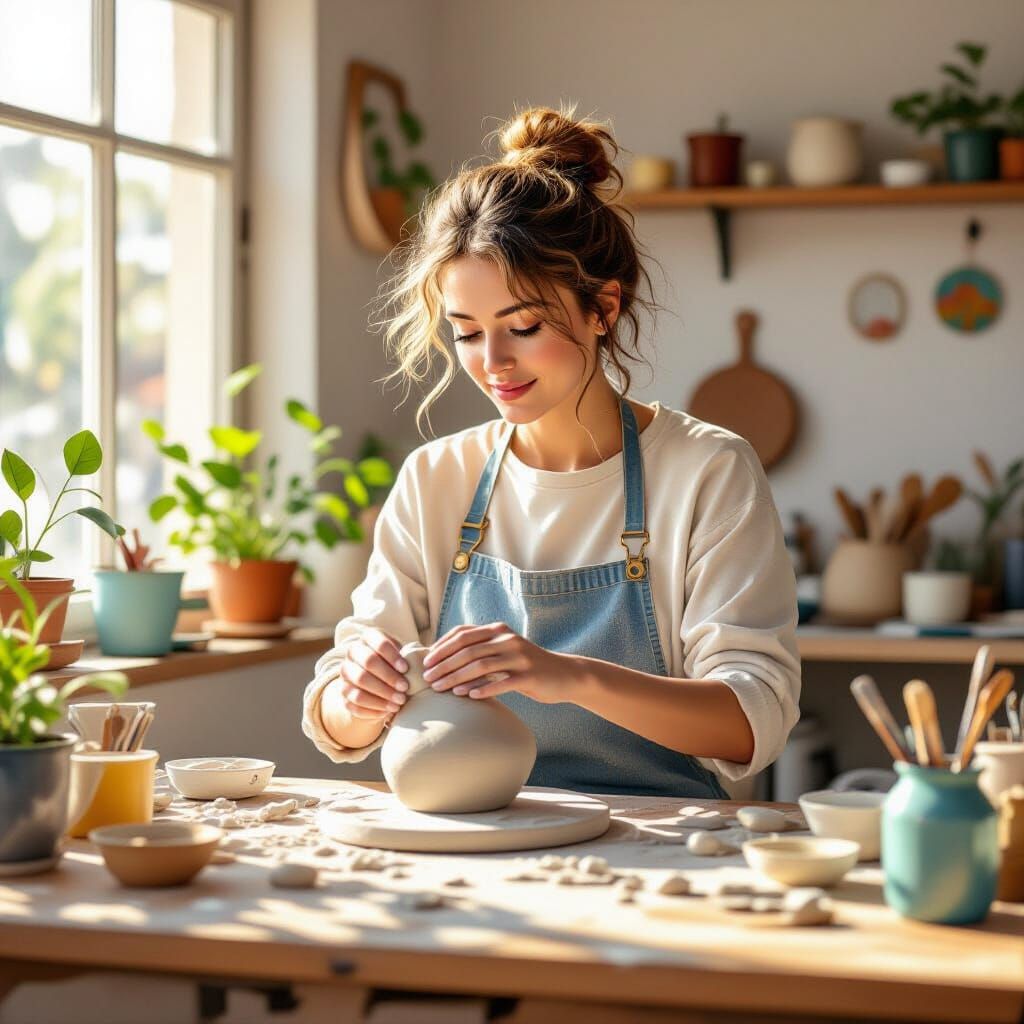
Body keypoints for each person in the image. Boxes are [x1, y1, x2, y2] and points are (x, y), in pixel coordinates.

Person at [301, 104, 801, 798]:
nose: (493, 361)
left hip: (658, 849)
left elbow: (754, 720)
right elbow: (337, 725)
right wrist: (355, 696)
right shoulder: (437, 478)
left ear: (603, 307)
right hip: (475, 844)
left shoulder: (707, 470)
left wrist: (568, 675)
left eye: (525, 325)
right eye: (467, 332)